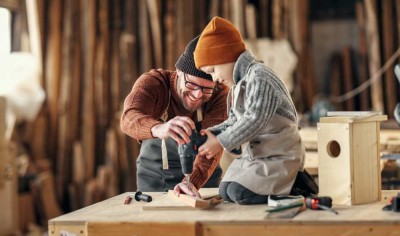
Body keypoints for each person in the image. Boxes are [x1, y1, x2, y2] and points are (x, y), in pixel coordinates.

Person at [192, 16, 316, 204]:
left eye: (212, 70)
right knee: (226, 190)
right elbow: (235, 120)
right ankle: (282, 184)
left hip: (279, 155)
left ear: (225, 56)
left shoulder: (260, 76)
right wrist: (211, 133)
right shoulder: (238, 85)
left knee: (240, 193)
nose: (214, 78)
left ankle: (296, 184)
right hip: (258, 155)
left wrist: (221, 141)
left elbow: (254, 120)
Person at [120, 35, 229, 195]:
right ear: (178, 72)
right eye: (191, 84)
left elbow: (215, 138)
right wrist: (158, 129)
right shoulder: (154, 83)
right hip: (154, 179)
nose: (198, 95)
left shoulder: (220, 94)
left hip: (203, 182)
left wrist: (193, 183)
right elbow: (129, 117)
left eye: (207, 89)